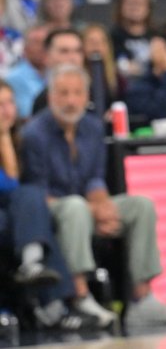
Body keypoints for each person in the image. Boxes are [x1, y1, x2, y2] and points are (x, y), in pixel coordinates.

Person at [20, 64, 166, 327]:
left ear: (87, 97)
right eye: (63, 93)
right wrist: (90, 208)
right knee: (75, 207)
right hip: (53, 211)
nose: (71, 100)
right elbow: (35, 192)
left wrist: (102, 206)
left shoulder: (94, 128)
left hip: (85, 206)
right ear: (51, 97)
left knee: (140, 205)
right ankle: (80, 296)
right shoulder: (34, 135)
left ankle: (142, 299)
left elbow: (95, 178)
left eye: (77, 93)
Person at [0, 80, 105, 331]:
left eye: (9, 103)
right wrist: (3, 137)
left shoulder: (21, 137)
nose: (6, 110)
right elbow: (9, 186)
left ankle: (40, 275)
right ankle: (55, 306)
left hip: (17, 214)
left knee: (37, 214)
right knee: (30, 198)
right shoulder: (22, 135)